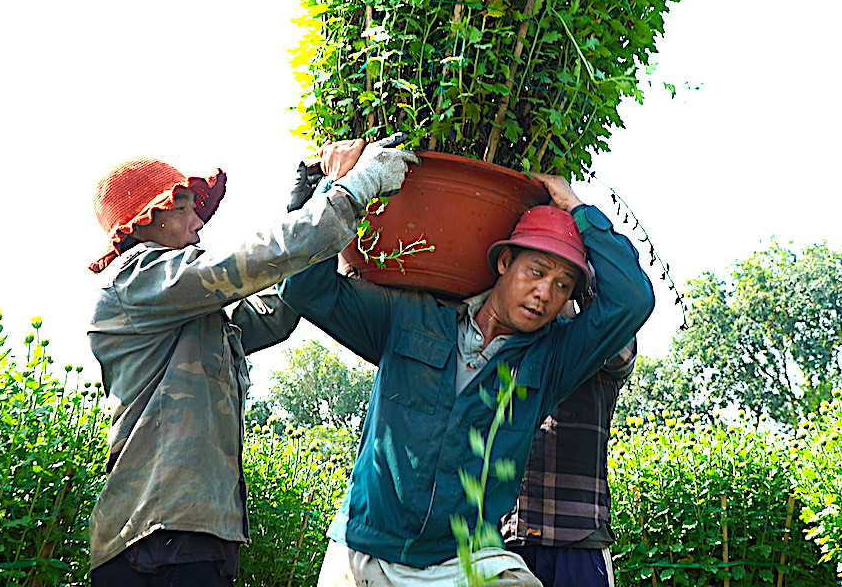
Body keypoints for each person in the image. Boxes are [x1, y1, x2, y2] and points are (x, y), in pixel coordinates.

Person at [279, 174, 654, 587]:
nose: (545, 293)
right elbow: (301, 288)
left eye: (562, 285)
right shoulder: (410, 315)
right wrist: (338, 187)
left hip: (464, 559)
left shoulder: (553, 360)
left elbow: (633, 299)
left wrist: (581, 212)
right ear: (504, 263)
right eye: (537, 271)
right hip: (365, 551)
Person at [85, 137, 417, 587]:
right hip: (156, 535)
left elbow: (276, 312)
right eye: (184, 207)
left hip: (197, 535)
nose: (198, 222)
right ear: (146, 218)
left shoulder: (193, 316)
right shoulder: (136, 282)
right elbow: (250, 262)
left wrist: (307, 201)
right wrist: (353, 189)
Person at [499, 297, 638, 587]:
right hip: (509, 539)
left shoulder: (599, 343)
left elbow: (622, 353)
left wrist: (584, 289)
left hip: (578, 535)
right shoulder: (512, 348)